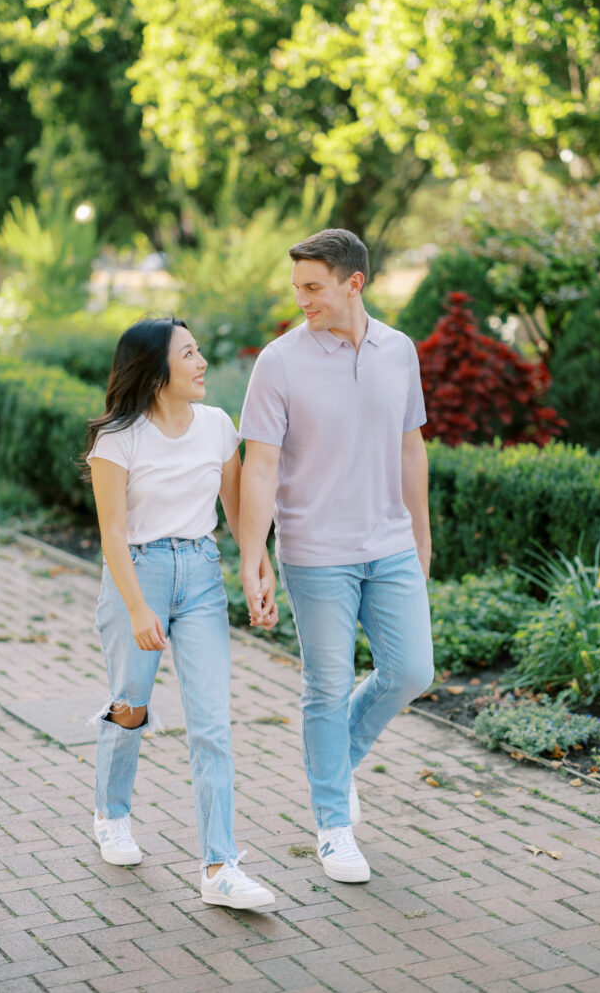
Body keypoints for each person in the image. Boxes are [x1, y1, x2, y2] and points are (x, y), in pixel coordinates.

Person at [238, 229, 434, 883]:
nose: (302, 300)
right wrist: (252, 555)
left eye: (313, 287)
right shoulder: (280, 362)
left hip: (389, 545)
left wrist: (421, 538)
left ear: (355, 282)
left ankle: (335, 761)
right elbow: (258, 468)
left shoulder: (398, 351)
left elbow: (412, 450)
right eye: (297, 288)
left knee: (412, 671)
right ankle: (333, 826)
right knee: (324, 685)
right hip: (315, 552)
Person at [84, 317, 278, 909]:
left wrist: (256, 563)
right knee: (131, 705)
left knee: (212, 725)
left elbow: (240, 502)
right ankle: (111, 813)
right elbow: (112, 533)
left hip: (199, 576)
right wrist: (139, 608)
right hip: (135, 573)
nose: (201, 364)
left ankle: (220, 866)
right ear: (156, 371)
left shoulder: (218, 427)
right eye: (189, 354)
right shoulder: (118, 439)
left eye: (198, 351)